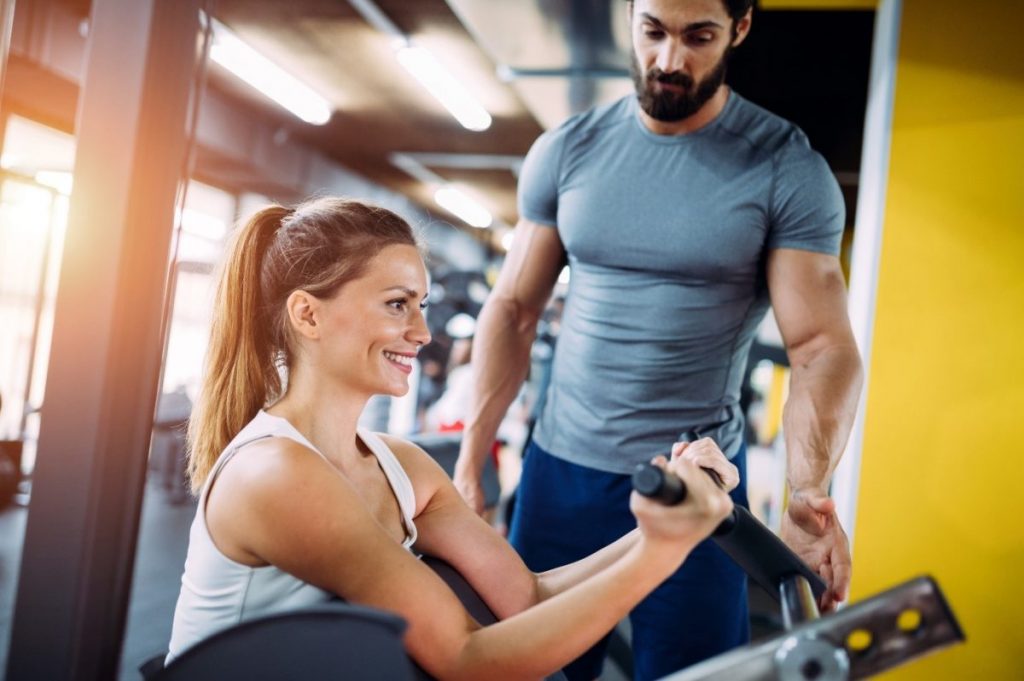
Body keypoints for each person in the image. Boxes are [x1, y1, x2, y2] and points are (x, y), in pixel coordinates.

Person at [452, 0, 865, 679]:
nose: (670, 60)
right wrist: (473, 456)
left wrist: (806, 489)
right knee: (531, 667)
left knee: (688, 672)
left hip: (697, 481)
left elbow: (821, 347)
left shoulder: (783, 166)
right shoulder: (569, 148)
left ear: (740, 27)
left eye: (699, 36)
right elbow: (515, 308)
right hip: (561, 474)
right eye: (653, 31)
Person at [165, 196, 740, 681]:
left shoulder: (401, 465)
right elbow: (467, 660)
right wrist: (663, 551)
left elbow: (527, 599)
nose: (422, 332)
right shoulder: (274, 473)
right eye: (397, 304)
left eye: (421, 306)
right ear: (307, 316)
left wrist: (670, 522)